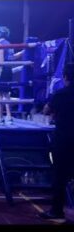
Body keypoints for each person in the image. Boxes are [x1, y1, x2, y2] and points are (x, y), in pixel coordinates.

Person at [38, 63, 74, 223]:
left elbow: (46, 110)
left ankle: (56, 210)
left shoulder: (61, 94)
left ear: (65, 77)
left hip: (64, 139)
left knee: (60, 176)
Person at [0, 26, 15, 125]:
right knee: (6, 94)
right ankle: (9, 117)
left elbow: (0, 62)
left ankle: (0, 117)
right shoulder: (9, 44)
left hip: (1, 71)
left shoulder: (0, 44)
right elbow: (11, 58)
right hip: (9, 70)